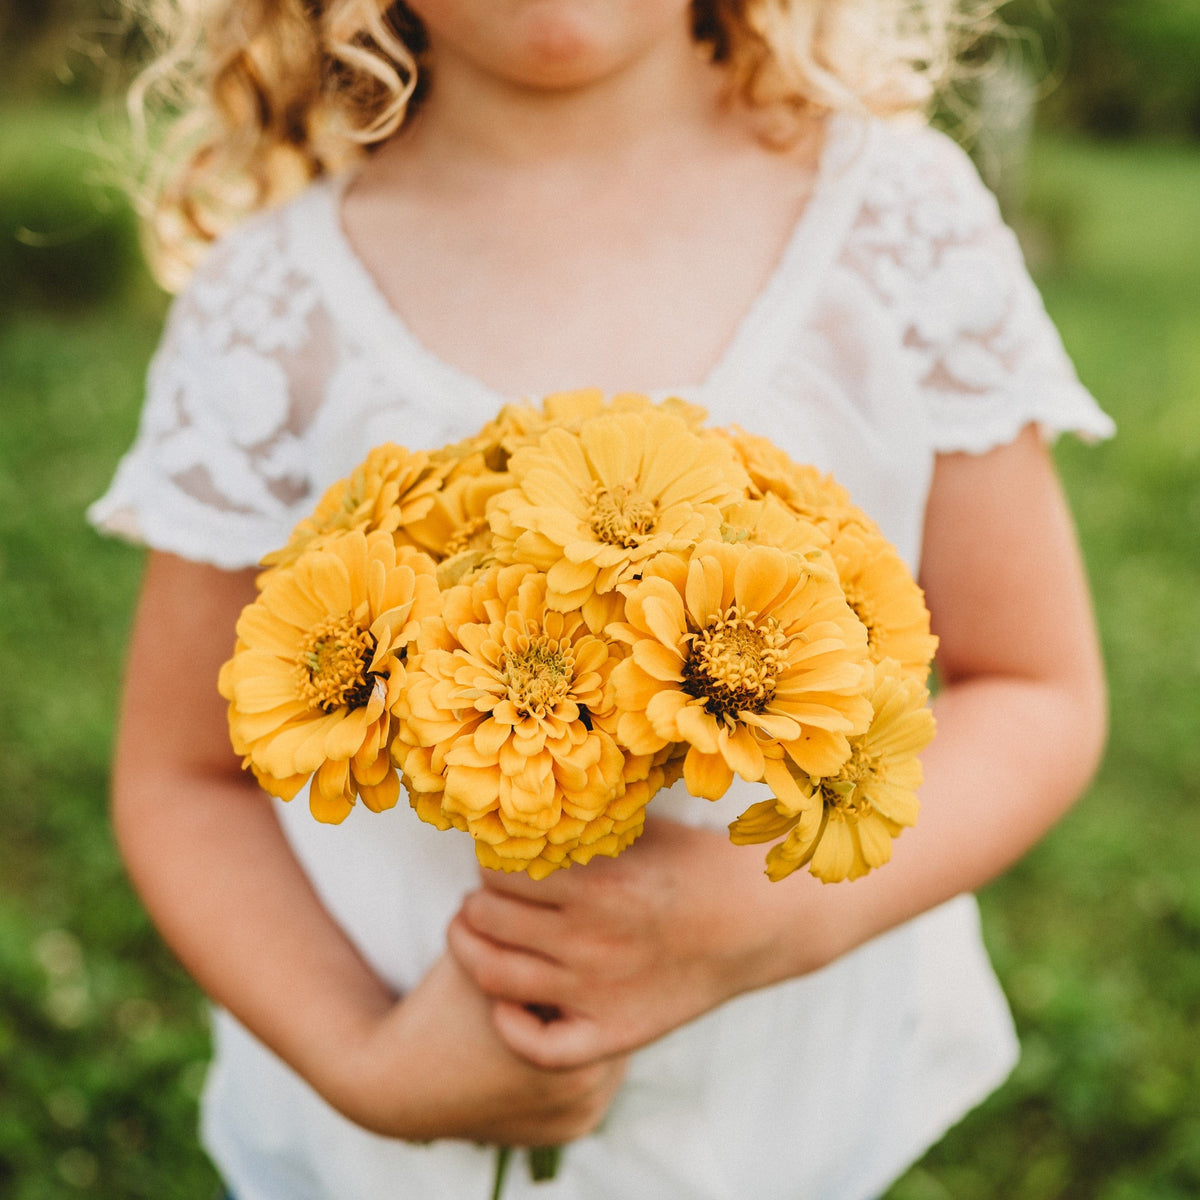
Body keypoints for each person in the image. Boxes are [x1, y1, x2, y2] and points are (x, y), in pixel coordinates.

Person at [90, 2, 1114, 1197]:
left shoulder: (896, 224)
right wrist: (364, 1060)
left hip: (775, 1103)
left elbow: (1036, 688)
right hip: (401, 1100)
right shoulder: (273, 299)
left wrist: (756, 920)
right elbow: (180, 776)